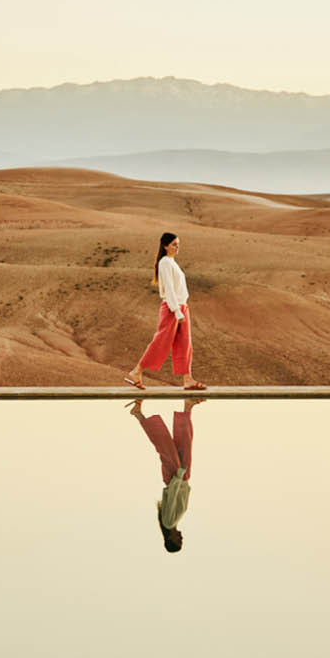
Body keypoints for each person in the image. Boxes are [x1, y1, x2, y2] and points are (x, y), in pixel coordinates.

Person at [124, 232, 207, 391]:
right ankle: (136, 372)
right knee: (161, 342)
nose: (177, 247)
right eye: (174, 244)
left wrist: (181, 309)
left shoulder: (172, 262)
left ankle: (188, 379)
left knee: (185, 343)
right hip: (172, 308)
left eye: (178, 244)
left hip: (182, 306)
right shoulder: (165, 263)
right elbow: (169, 289)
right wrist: (176, 311)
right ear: (165, 246)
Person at [127, 396, 206, 552]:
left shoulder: (169, 522)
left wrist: (178, 475)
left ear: (171, 539)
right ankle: (187, 407)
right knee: (185, 442)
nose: (181, 538)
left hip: (175, 477)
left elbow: (172, 496)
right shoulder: (174, 521)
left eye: (179, 542)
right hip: (181, 477)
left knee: (163, 444)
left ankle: (138, 415)